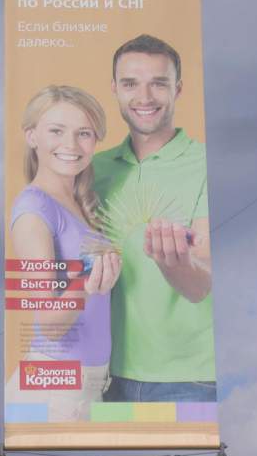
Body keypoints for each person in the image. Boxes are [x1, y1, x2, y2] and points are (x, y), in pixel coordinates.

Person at [93, 34, 216, 402]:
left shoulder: (206, 164)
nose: (144, 97)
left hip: (190, 380)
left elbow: (202, 283)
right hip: (106, 377)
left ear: (178, 89)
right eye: (130, 84)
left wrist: (175, 264)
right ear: (114, 89)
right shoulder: (94, 169)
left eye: (158, 84)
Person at [6, 85, 121, 420]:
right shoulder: (33, 209)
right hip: (55, 391)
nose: (71, 145)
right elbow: (50, 324)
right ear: (32, 136)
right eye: (56, 131)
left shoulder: (80, 204)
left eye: (83, 133)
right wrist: (86, 282)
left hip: (86, 388)